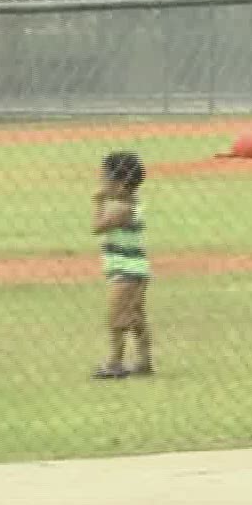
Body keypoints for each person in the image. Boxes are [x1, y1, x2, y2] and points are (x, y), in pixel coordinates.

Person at [92, 150, 153, 381]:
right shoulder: (129, 204)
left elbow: (97, 227)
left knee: (117, 317)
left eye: (105, 178)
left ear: (120, 183)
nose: (101, 183)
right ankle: (144, 360)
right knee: (136, 316)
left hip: (126, 270)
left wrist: (98, 202)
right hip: (133, 267)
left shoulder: (122, 209)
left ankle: (115, 362)